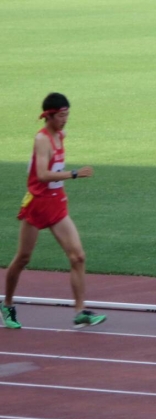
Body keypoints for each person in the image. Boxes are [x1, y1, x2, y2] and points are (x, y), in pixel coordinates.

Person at [1, 93, 107, 329]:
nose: (65, 119)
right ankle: (7, 304)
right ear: (48, 116)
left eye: (67, 114)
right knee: (23, 258)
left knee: (78, 256)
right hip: (37, 203)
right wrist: (75, 173)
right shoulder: (42, 140)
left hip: (56, 202)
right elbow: (42, 175)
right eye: (61, 115)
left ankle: (80, 312)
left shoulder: (60, 134)